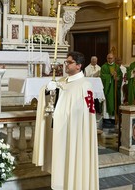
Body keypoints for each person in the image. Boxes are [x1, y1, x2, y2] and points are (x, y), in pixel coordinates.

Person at [33, 51, 99, 190]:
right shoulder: (62, 81)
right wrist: (47, 90)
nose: (66, 65)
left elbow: (84, 114)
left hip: (76, 134)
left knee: (72, 162)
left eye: (69, 62)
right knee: (61, 162)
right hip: (60, 130)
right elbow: (52, 100)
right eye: (66, 62)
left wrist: (61, 113)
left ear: (79, 65)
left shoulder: (85, 86)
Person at [100, 53, 123, 118]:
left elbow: (120, 76)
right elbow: (102, 77)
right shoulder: (104, 67)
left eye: (111, 58)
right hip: (108, 89)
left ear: (114, 59)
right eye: (108, 58)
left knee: (115, 102)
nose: (110, 60)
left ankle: (115, 117)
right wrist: (110, 76)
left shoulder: (117, 67)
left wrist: (118, 78)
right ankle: (107, 118)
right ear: (106, 59)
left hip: (115, 88)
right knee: (108, 103)